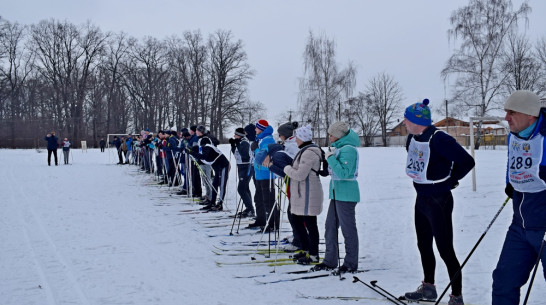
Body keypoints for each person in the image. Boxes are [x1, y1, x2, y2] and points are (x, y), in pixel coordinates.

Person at [401, 99, 474, 305]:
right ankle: (429, 287)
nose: (404, 122)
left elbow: (467, 162)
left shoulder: (440, 139)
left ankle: (457, 296)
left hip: (439, 200)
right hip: (421, 198)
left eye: (407, 119)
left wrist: (451, 181)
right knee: (423, 244)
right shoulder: (412, 137)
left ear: (418, 121)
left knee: (445, 249)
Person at [492, 90, 546, 305]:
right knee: (504, 281)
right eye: (506, 112)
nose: (506, 118)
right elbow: (512, 161)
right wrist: (509, 183)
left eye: (511, 112)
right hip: (520, 226)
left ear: (530, 115)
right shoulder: (513, 136)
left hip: (544, 226)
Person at [311, 121, 360, 274]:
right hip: (336, 193)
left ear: (338, 135)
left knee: (347, 229)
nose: (329, 136)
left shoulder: (349, 150)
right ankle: (330, 260)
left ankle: (350, 263)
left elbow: (344, 174)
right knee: (330, 227)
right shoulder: (339, 148)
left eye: (331, 134)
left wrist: (330, 158)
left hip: (346, 194)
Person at [283, 124, 323, 265]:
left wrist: (286, 168)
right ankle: (306, 250)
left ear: (303, 138)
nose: (296, 141)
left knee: (311, 225)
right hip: (303, 193)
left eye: (298, 138)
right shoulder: (304, 150)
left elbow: (300, 174)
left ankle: (313, 255)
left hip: (308, 193)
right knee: (297, 220)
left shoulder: (309, 152)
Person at [250, 119, 277, 232]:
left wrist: (255, 149)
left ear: (261, 129)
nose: (255, 130)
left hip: (266, 174)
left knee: (268, 200)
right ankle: (261, 219)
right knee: (258, 198)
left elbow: (261, 156)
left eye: (257, 128)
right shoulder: (261, 139)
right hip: (259, 173)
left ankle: (273, 223)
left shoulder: (268, 139)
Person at [229, 127, 255, 217]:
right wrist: (233, 146)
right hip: (241, 166)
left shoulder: (244, 142)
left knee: (241, 188)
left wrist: (237, 144)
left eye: (235, 134)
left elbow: (245, 156)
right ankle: (249, 209)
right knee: (245, 188)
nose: (234, 136)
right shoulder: (240, 142)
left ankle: (250, 209)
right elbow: (236, 154)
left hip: (246, 166)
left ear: (239, 135)